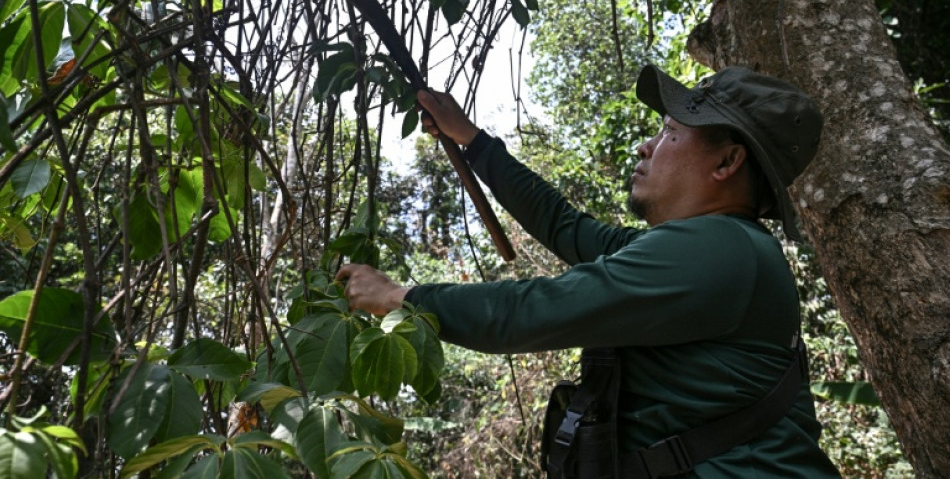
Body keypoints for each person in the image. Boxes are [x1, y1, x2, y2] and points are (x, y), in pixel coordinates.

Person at [336, 64, 841, 477]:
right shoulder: (703, 250)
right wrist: (473, 139)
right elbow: (566, 227)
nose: (646, 146)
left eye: (668, 132)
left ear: (727, 161)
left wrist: (402, 297)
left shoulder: (721, 250)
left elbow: (537, 310)